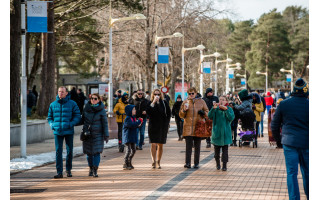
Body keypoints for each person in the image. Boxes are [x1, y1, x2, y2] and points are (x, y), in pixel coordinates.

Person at [271, 78, 309, 200]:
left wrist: (279, 140)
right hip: (307, 142)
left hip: (289, 142)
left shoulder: (284, 104)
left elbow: (274, 125)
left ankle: (294, 198)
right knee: (308, 172)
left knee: (291, 173)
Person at [47, 86, 81, 178]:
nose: (60, 93)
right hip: (57, 131)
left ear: (66, 93)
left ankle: (68, 170)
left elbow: (77, 116)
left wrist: (71, 124)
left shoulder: (72, 104)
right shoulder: (53, 105)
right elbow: (49, 118)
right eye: (59, 91)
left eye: (62, 92)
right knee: (58, 151)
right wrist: (52, 125)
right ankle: (59, 172)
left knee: (69, 151)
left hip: (69, 131)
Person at [179, 87, 209, 169]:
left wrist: (203, 113)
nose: (191, 95)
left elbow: (207, 112)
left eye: (193, 93)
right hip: (188, 127)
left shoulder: (201, 101)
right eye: (189, 93)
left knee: (197, 146)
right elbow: (181, 115)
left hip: (198, 127)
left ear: (196, 93)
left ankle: (196, 163)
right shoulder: (185, 102)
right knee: (188, 147)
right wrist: (184, 110)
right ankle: (187, 163)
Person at [81, 93, 109, 177]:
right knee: (89, 153)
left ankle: (95, 170)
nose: (93, 100)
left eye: (95, 98)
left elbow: (105, 123)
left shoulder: (102, 109)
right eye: (92, 98)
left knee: (96, 153)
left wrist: (106, 135)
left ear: (99, 100)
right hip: (87, 134)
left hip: (98, 134)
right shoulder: (86, 108)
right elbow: (82, 120)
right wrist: (71, 122)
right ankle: (90, 168)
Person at [208, 95, 234, 171]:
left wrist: (226, 110)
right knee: (216, 152)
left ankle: (224, 165)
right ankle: (217, 164)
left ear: (226, 101)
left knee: (225, 152)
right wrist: (213, 109)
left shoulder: (229, 109)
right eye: (220, 99)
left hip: (226, 134)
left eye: (223, 99)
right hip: (217, 134)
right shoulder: (216, 109)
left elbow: (231, 118)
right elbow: (209, 116)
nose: (221, 101)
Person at [147, 89, 171, 169]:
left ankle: (158, 161)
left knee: (160, 144)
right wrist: (153, 102)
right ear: (152, 95)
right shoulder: (150, 103)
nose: (157, 96)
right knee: (153, 143)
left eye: (158, 94)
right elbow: (149, 112)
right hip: (153, 126)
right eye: (155, 94)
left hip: (162, 126)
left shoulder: (164, 103)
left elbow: (169, 113)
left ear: (161, 95)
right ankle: (153, 160)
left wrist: (167, 123)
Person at [122, 105, 143, 170]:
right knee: (128, 150)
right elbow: (131, 125)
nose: (135, 110)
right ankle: (125, 163)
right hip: (127, 137)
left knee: (133, 150)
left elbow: (134, 125)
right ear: (130, 111)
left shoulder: (133, 118)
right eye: (133, 109)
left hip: (133, 136)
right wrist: (139, 121)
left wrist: (138, 124)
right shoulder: (127, 118)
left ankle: (129, 161)